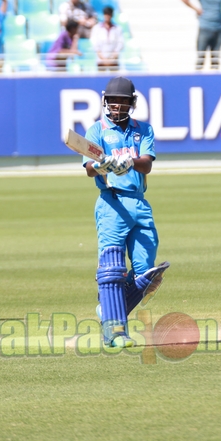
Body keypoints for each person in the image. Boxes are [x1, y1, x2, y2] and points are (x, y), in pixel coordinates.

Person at [82, 76, 169, 348]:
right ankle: (115, 332)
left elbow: (147, 165)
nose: (118, 106)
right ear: (105, 101)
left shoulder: (143, 130)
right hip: (112, 204)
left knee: (146, 275)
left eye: (123, 101)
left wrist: (128, 161)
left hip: (139, 204)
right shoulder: (96, 131)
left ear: (131, 103)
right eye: (114, 101)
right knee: (113, 270)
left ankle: (107, 309)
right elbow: (88, 169)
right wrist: (104, 165)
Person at [90, 6, 124, 71]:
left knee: (115, 80)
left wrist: (112, 58)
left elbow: (120, 43)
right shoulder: (97, 28)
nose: (107, 16)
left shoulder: (117, 28)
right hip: (101, 61)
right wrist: (103, 58)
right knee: (101, 80)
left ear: (112, 15)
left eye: (109, 14)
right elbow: (94, 43)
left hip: (114, 61)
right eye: (106, 14)